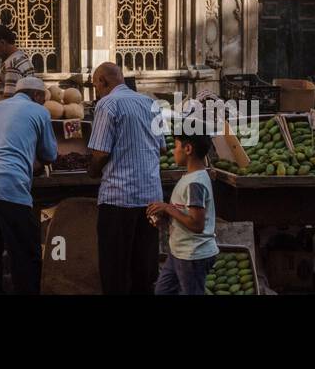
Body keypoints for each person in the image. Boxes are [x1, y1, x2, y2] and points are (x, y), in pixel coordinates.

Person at [0, 75, 58, 294]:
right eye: (43, 98)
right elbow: (50, 154)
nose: (44, 103)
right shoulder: (40, 112)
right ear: (36, 95)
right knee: (26, 254)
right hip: (9, 186)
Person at [87, 61, 164, 294]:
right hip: (151, 199)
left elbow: (101, 153)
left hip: (119, 198)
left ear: (102, 81)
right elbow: (162, 148)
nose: (96, 91)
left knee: (115, 271)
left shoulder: (108, 104)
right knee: (145, 270)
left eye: (95, 86)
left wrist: (92, 170)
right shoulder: (151, 103)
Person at [149, 134, 219, 295]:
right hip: (179, 252)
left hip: (193, 255)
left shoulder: (195, 183)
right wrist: (165, 217)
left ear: (187, 149)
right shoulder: (190, 177)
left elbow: (197, 224)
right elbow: (184, 212)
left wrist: (167, 208)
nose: (173, 151)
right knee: (163, 291)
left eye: (176, 146)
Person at [0, 23, 35, 100]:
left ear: (2, 43)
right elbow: (12, 92)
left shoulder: (12, 65)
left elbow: (9, 101)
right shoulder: (22, 57)